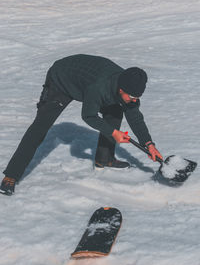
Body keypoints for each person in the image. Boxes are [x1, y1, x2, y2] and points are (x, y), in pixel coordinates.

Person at [0, 54, 163, 195]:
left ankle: (104, 159)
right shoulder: (99, 87)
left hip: (86, 82)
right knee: (40, 127)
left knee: (114, 113)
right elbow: (88, 116)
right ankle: (11, 176)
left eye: (137, 97)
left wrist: (148, 144)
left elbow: (135, 117)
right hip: (61, 79)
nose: (134, 100)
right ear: (121, 90)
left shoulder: (128, 87)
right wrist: (113, 133)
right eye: (132, 97)